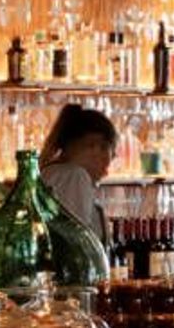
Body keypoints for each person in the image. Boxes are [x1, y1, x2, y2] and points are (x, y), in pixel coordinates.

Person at [37, 104, 118, 249]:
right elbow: (75, 245)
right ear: (93, 146)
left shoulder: (54, 173)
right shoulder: (73, 176)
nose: (111, 158)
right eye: (107, 148)